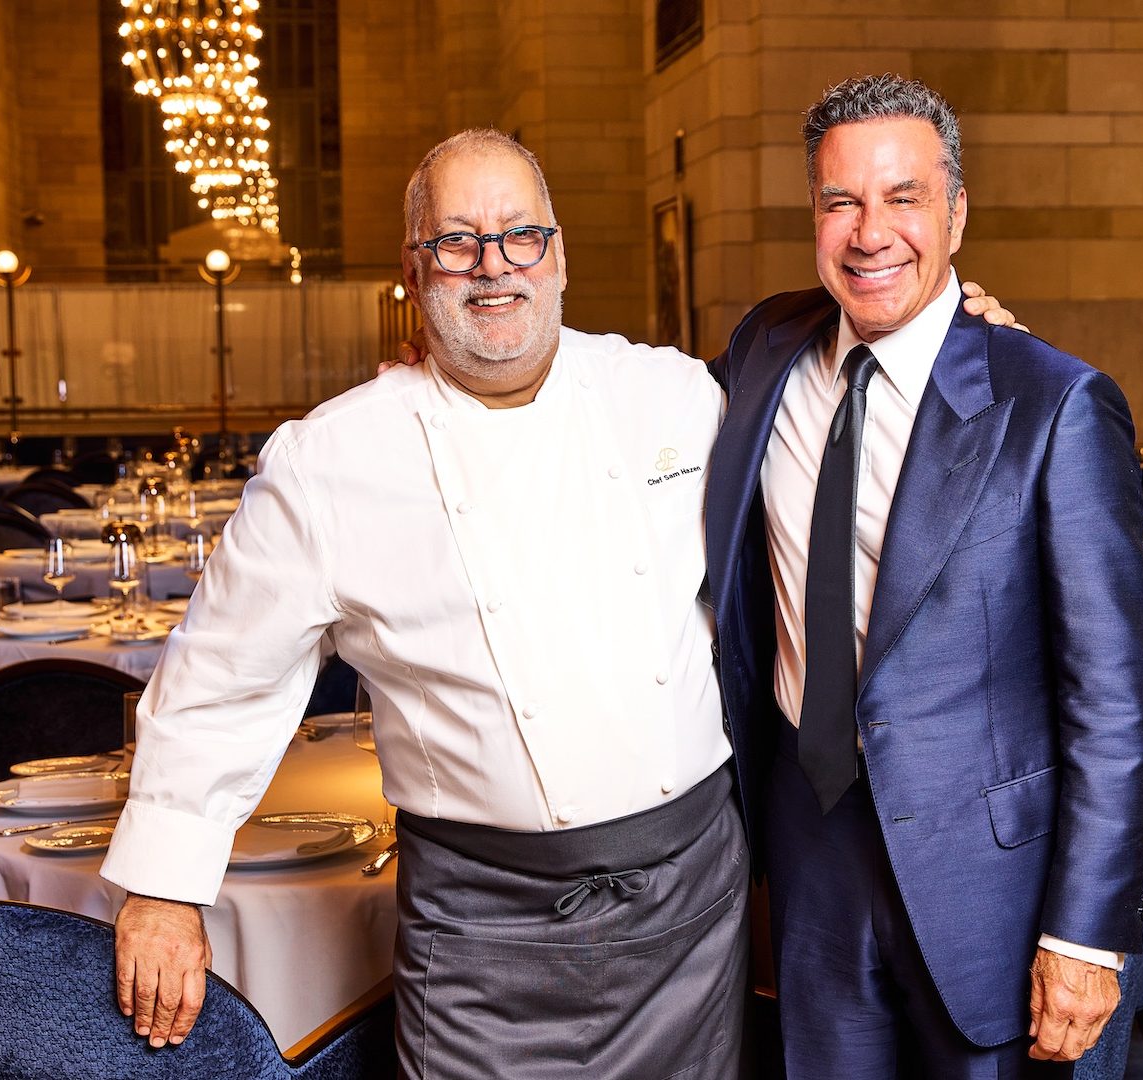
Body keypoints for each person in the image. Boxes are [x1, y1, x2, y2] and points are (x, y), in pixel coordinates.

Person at [105, 128, 1018, 1076]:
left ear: (560, 256)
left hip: (691, 910)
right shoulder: (330, 461)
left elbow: (850, 404)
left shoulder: (675, 395)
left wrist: (953, 333)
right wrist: (165, 888)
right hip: (480, 931)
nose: (493, 265)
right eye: (455, 242)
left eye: (521, 235)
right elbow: (220, 680)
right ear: (413, 273)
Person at [704, 75, 1143, 1077]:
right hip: (810, 844)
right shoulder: (762, 351)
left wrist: (1086, 938)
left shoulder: (1054, 403)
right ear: (814, 216)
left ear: (956, 214)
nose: (870, 233)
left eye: (903, 198)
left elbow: (1117, 699)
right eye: (841, 202)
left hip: (989, 882)